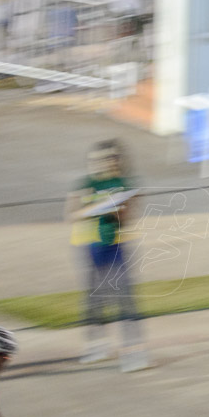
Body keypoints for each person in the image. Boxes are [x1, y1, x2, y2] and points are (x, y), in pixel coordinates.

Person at [65, 140, 150, 372]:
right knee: (94, 299)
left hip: (116, 245)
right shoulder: (86, 184)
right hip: (89, 245)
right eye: (99, 158)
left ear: (119, 160)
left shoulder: (124, 185)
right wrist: (96, 208)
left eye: (112, 157)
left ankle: (135, 352)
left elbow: (128, 218)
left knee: (124, 298)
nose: (106, 162)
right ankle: (97, 346)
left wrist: (118, 209)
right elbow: (72, 214)